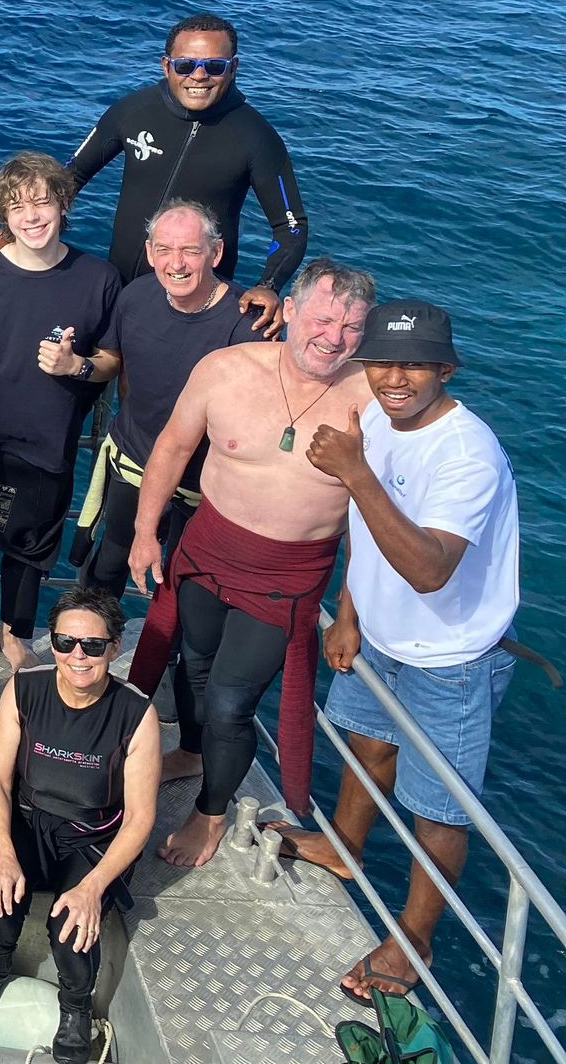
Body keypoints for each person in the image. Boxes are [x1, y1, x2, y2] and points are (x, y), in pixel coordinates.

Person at [264, 302, 520, 1005]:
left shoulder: (468, 455)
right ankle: (342, 848)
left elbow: (431, 568)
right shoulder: (375, 419)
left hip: (451, 657)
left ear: (446, 367)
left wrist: (355, 470)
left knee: (438, 810)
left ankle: (413, 941)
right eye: (380, 362)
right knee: (366, 745)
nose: (394, 378)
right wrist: (348, 614)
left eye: (412, 364)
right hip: (377, 634)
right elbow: (362, 527)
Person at [126, 257, 376, 866]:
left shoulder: (371, 398)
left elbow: (370, 522)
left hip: (288, 577)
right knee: (194, 668)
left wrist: (348, 611)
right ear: (289, 311)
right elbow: (173, 446)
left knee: (233, 703)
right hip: (208, 550)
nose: (332, 338)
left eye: (350, 328)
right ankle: (189, 750)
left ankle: (210, 816)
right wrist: (143, 530)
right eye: (321, 320)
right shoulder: (225, 369)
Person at [0, 14, 308, 335]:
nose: (199, 76)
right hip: (118, 287)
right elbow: (68, 177)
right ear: (166, 66)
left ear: (233, 68)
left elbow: (290, 226)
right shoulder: (133, 111)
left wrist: (268, 285)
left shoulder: (256, 137)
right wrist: (16, 229)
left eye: (214, 66)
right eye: (186, 65)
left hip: (192, 297)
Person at [0, 588, 160, 1064]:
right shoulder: (25, 688)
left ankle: (75, 1006)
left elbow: (139, 819)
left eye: (93, 646)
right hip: (28, 824)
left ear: (114, 648)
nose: (78, 655)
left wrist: (93, 888)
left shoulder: (137, 714)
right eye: (65, 642)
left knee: (73, 932)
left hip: (91, 840)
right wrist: (5, 853)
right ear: (51, 643)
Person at [0, 153, 121, 661]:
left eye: (43, 201)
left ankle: (12, 634)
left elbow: (110, 360)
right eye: (18, 206)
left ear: (64, 203)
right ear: (3, 216)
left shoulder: (98, 277)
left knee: (29, 549)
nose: (32, 215)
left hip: (48, 441)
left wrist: (75, 367)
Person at [70, 202, 262, 599]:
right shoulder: (135, 297)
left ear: (216, 253)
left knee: (187, 584)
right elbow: (123, 375)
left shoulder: (248, 326)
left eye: (191, 250)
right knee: (110, 561)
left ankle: (171, 659)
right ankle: (91, 646)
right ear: (149, 252)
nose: (177, 263)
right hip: (133, 464)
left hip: (204, 486)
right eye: (164, 249)